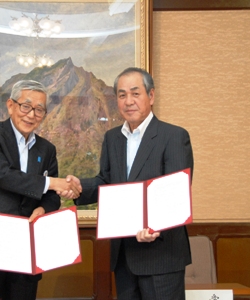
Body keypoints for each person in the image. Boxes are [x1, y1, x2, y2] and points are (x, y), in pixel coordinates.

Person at [67, 67, 194, 299]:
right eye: (122, 95)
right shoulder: (112, 138)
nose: (128, 101)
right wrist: (79, 187)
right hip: (124, 254)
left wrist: (155, 227)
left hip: (161, 256)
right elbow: (106, 181)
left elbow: (175, 193)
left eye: (135, 93)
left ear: (151, 96)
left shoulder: (173, 136)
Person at [0, 80, 81, 300]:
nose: (31, 115)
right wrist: (54, 183)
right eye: (26, 106)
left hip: (25, 249)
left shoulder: (47, 149)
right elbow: (3, 175)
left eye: (39, 110)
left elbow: (50, 198)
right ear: (11, 105)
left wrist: (42, 208)